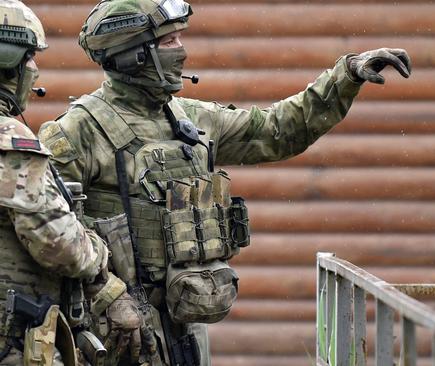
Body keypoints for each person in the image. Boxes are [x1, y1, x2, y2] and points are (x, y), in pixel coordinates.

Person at [39, 0, 411, 364]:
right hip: (120, 332)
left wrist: (345, 76)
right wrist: (107, 294)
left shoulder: (190, 120)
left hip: (186, 322)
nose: (181, 51)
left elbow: (278, 130)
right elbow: (48, 231)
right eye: (169, 42)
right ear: (133, 55)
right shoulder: (77, 132)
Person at [0, 1, 111, 364]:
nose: (34, 68)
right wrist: (98, 251)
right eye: (29, 56)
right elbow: (58, 244)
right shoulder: (9, 139)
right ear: (7, 58)